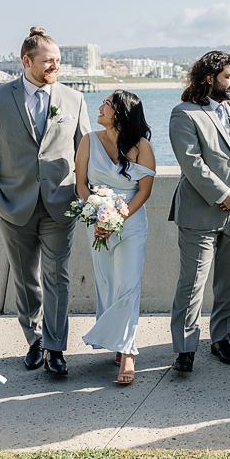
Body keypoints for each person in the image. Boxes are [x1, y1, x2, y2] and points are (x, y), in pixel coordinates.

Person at [0, 27, 91, 376]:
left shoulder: (74, 99)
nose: (56, 66)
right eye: (49, 61)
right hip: (12, 205)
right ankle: (34, 339)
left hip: (60, 204)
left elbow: (85, 153)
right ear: (27, 61)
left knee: (58, 277)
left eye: (58, 61)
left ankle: (55, 348)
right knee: (26, 279)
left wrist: (86, 194)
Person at [168, 51, 230, 373]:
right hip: (200, 213)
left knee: (228, 283)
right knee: (192, 283)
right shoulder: (184, 114)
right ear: (210, 78)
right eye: (229, 76)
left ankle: (221, 339)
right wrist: (224, 195)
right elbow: (192, 163)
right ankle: (184, 349)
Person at [75, 90, 155, 385]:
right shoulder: (88, 141)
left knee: (128, 285)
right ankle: (117, 339)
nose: (100, 107)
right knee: (107, 284)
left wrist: (117, 218)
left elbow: (144, 191)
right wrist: (97, 215)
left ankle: (128, 352)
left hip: (131, 223)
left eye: (106, 104)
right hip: (97, 223)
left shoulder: (142, 146)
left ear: (120, 112)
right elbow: (81, 185)